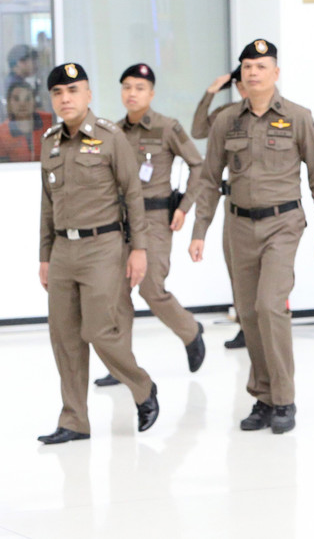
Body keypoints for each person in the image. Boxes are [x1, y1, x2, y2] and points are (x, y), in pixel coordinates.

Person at [189, 39, 314, 434]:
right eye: (247, 66)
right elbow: (208, 179)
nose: (253, 72)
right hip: (237, 225)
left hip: (283, 224)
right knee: (249, 313)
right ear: (242, 74)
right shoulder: (225, 121)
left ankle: (284, 398)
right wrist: (198, 230)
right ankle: (263, 397)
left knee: (271, 306)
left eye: (261, 66)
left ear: (276, 72)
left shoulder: (298, 117)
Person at [37, 63, 159, 444]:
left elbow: (133, 195)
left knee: (98, 330)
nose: (65, 99)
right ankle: (74, 420)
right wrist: (44, 255)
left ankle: (143, 387)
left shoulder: (110, 137)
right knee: (64, 337)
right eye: (58, 93)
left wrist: (138, 249)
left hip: (103, 247)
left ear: (88, 95)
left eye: (73, 91)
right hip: (62, 251)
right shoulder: (50, 141)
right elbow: (46, 203)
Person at [93, 63, 207, 387]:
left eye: (139, 88)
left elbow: (199, 166)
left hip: (155, 219)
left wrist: (184, 207)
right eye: (127, 87)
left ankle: (189, 330)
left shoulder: (167, 127)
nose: (132, 93)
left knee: (150, 288)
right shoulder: (112, 132)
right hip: (119, 221)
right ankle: (121, 366)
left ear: (151, 93)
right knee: (117, 293)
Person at [191, 64, 248, 349]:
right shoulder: (227, 117)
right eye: (239, 81)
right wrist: (211, 91)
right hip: (234, 205)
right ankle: (245, 326)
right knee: (236, 269)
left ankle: (263, 327)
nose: (245, 85)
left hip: (268, 207)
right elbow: (198, 129)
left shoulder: (282, 116)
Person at [0, 82, 52, 162]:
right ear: (9, 103)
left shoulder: (50, 121)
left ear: (34, 101)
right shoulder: (1, 132)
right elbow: (0, 167)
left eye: (27, 99)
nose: (22, 104)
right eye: (16, 99)